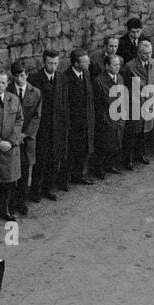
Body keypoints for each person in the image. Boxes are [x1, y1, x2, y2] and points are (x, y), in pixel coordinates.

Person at [0, 70, 24, 220]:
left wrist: (10, 141)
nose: (0, 85)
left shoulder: (13, 99)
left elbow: (19, 120)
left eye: (3, 82)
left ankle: (4, 209)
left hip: (10, 147)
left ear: (7, 84)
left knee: (7, 182)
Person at [32, 51, 68, 195]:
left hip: (57, 126)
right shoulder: (35, 79)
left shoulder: (62, 78)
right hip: (42, 128)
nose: (53, 67)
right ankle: (35, 191)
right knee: (40, 161)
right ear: (44, 63)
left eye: (55, 63)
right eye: (50, 63)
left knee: (54, 159)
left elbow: (65, 103)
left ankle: (49, 188)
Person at [10, 61, 42, 214]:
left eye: (22, 75)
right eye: (16, 76)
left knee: (24, 169)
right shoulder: (8, 91)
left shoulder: (35, 92)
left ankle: (21, 202)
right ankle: (10, 202)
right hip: (11, 138)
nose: (19, 79)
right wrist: (15, 135)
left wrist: (25, 134)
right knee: (11, 171)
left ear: (27, 75)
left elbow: (36, 116)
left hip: (27, 139)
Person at [61, 50, 96, 183]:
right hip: (73, 123)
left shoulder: (86, 73)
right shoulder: (66, 78)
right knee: (71, 152)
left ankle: (79, 175)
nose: (88, 63)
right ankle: (65, 179)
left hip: (86, 121)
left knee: (83, 151)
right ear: (75, 64)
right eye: (85, 62)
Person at [122, 38, 154, 168]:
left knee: (144, 132)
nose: (148, 55)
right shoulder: (130, 66)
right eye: (145, 53)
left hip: (148, 103)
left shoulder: (153, 63)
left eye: (150, 53)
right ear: (139, 53)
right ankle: (128, 159)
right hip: (134, 104)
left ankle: (141, 154)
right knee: (132, 133)